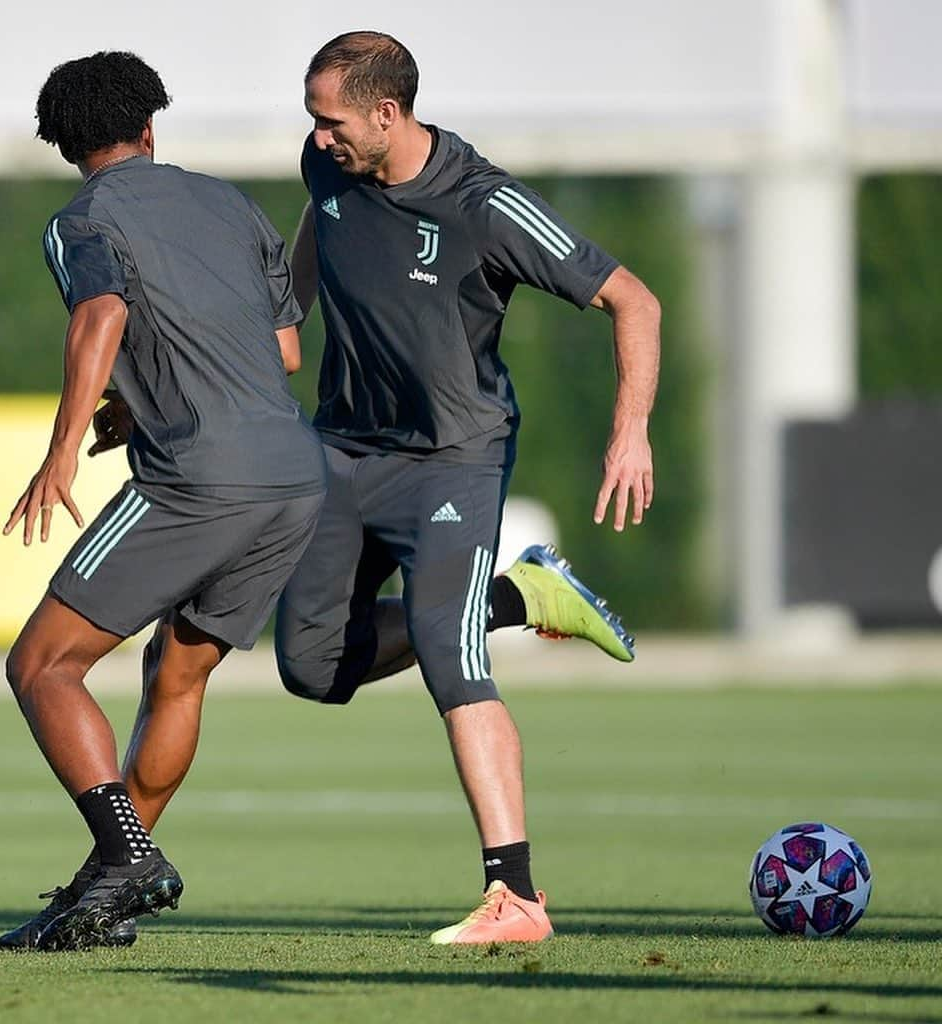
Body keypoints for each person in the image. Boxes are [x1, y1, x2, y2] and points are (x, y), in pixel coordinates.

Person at [273, 32, 661, 944]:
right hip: (340, 454)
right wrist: (276, 334)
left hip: (452, 459)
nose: (317, 137)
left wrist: (630, 429)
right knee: (311, 669)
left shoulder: (488, 205)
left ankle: (516, 897)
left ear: (386, 112)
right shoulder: (323, 165)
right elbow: (309, 252)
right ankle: (520, 596)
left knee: (453, 659)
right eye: (311, 121)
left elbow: (633, 299)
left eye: (331, 121)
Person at [0, 51, 326, 951]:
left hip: (197, 474)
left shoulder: (82, 217)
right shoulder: (228, 201)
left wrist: (61, 451)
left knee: (42, 666)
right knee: (177, 673)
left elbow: (101, 316)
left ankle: (126, 858)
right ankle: (103, 894)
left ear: (65, 144)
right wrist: (137, 400)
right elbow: (284, 352)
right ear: (149, 127)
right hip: (293, 471)